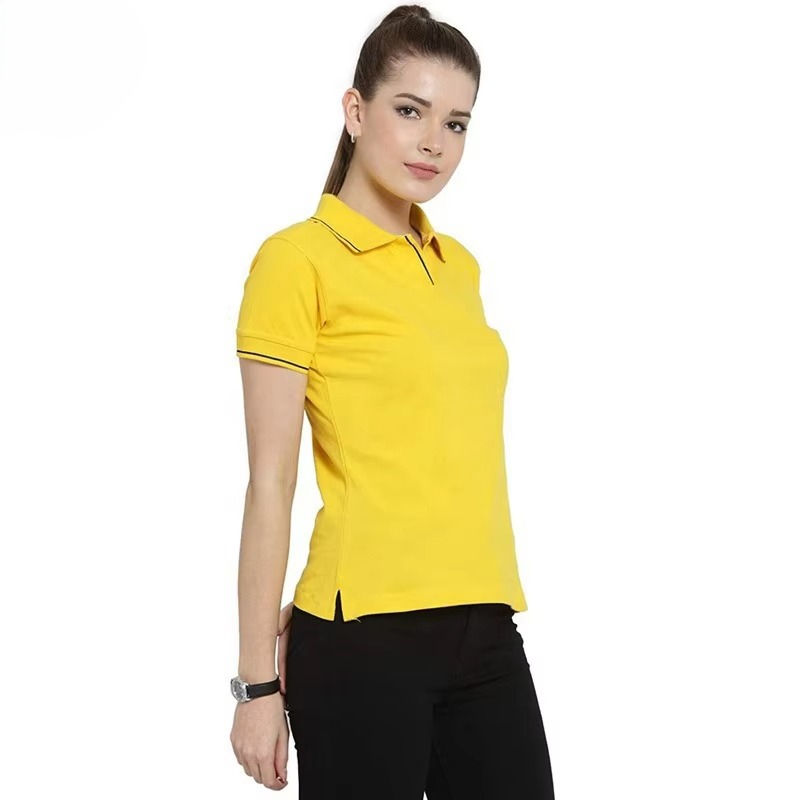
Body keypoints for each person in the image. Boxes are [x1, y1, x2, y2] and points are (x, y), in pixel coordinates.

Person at [229, 5, 556, 797]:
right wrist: (256, 685)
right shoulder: (296, 261)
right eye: (410, 111)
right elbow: (271, 480)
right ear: (355, 111)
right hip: (362, 637)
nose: (434, 141)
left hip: (486, 623)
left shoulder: (457, 266)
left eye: (456, 123)